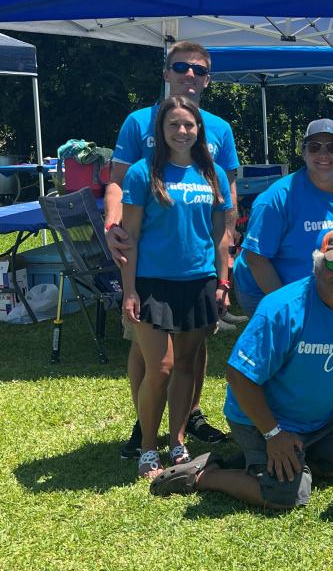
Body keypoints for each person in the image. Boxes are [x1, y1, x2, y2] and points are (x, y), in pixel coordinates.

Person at [149, 232, 333, 509]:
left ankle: (279, 458)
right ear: (317, 264)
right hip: (261, 420)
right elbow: (238, 376)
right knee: (287, 494)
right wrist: (274, 433)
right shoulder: (282, 308)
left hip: (320, 421)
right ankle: (205, 475)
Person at [105, 41, 240, 458]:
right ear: (166, 72)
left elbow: (226, 196)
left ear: (208, 79)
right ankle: (144, 428)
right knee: (149, 356)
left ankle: (185, 423)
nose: (189, 75)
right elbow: (116, 182)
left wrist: (226, 258)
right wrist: (113, 226)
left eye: (198, 69)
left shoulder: (219, 129)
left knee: (190, 354)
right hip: (150, 263)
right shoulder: (137, 123)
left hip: (198, 269)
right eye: (180, 67)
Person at [232, 119, 333, 313]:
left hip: (326, 290)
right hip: (265, 287)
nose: (323, 154)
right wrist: (288, 309)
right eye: (314, 147)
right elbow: (256, 258)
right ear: (303, 152)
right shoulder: (278, 198)